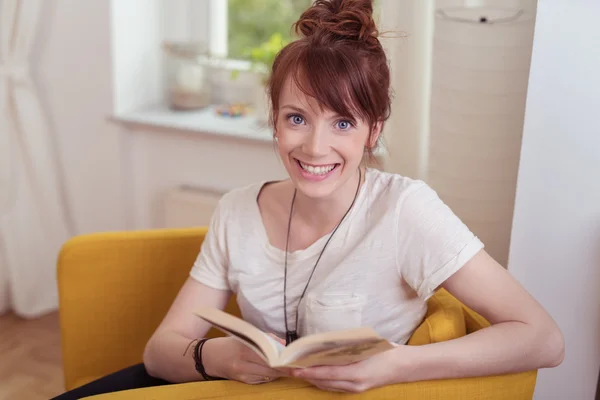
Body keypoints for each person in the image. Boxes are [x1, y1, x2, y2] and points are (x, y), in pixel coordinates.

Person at [52, 0, 564, 398]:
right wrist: (219, 358)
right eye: (297, 118)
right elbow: (161, 352)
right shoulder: (237, 210)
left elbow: (542, 338)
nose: (315, 147)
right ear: (273, 119)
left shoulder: (405, 210)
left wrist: (394, 365)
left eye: (342, 122)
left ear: (372, 130)